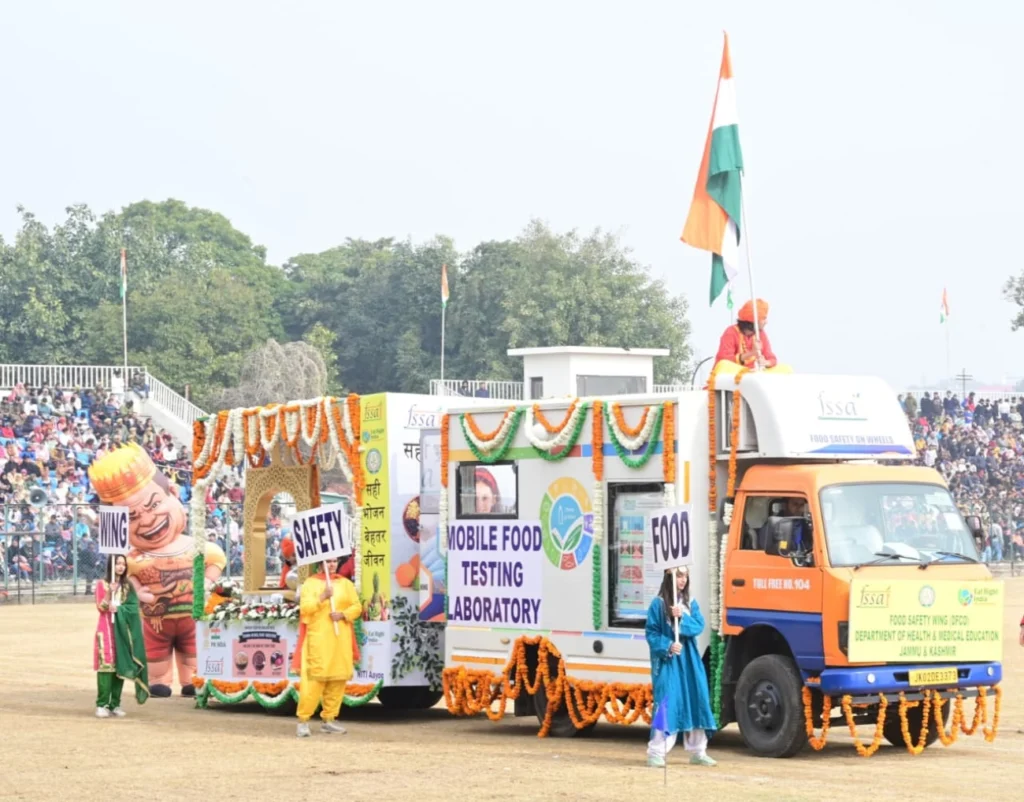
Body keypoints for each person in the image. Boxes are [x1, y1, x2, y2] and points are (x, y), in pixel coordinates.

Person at [88, 443, 226, 697]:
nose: (148, 520)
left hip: (191, 616)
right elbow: (123, 574)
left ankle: (191, 679)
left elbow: (217, 559)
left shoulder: (195, 546)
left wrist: (207, 581)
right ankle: (159, 679)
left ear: (172, 493)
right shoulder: (132, 558)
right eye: (131, 517)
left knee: (192, 650)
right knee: (156, 654)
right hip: (154, 621)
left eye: (152, 505)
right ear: (118, 522)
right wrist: (137, 591)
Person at [645, 566, 717, 767]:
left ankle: (698, 751)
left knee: (697, 698)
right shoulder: (658, 605)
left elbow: (699, 626)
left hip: (690, 660)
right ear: (669, 577)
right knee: (668, 701)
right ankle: (657, 751)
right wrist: (668, 645)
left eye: (685, 576)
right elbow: (651, 633)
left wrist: (682, 617)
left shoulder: (690, 603)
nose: (682, 580)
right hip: (669, 661)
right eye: (678, 576)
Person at [292, 556, 362, 738]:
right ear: (320, 564)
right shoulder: (311, 583)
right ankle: (303, 721)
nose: (332, 564)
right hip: (319, 638)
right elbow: (305, 608)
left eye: (334, 561)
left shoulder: (346, 583)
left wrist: (343, 614)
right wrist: (322, 597)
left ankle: (329, 719)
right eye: (328, 561)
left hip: (341, 638)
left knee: (338, 679)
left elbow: (357, 607)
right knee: (315, 680)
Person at [94, 554, 152, 717]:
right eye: (117, 563)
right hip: (106, 629)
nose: (121, 567)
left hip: (122, 630)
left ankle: (115, 704)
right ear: (111, 566)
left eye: (123, 564)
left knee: (121, 665)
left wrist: (119, 609)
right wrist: (109, 594)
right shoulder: (102, 584)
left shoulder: (128, 587)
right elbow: (101, 607)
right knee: (107, 666)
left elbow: (133, 607)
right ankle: (102, 704)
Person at [714, 298, 778, 370]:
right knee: (724, 365)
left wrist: (766, 362)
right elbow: (724, 361)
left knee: (785, 369)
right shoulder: (731, 332)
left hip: (751, 376)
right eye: (763, 318)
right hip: (731, 376)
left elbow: (772, 359)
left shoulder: (761, 334)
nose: (766, 322)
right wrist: (751, 353)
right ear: (752, 321)